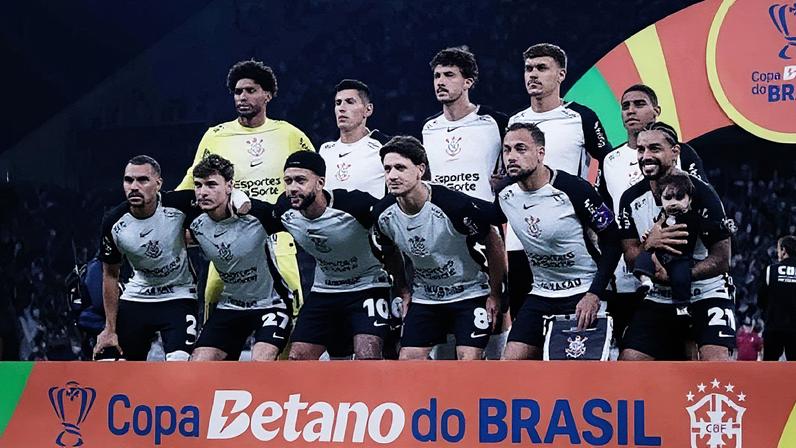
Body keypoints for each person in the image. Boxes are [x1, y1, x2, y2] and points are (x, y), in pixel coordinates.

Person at [176, 59, 314, 319]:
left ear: (268, 95)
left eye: (250, 90)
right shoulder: (215, 135)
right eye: (238, 92)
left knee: (292, 312)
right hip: (226, 238)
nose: (242, 97)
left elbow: (315, 178)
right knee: (213, 309)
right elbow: (190, 182)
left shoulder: (290, 134)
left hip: (277, 239)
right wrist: (165, 215)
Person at [262, 151, 407, 360]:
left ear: (320, 183)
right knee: (297, 358)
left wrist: (402, 290)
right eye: (288, 181)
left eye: (301, 180)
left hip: (367, 286)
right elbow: (256, 215)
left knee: (367, 353)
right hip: (325, 290)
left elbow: (392, 244)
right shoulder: (285, 210)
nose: (293, 188)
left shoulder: (355, 205)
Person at [373, 136, 506, 360]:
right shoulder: (382, 213)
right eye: (387, 169)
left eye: (400, 168)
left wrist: (495, 294)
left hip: (469, 293)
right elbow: (390, 252)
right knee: (407, 361)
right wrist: (404, 291)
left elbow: (493, 241)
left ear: (420, 169)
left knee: (468, 360)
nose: (392, 176)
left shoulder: (453, 206)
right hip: (426, 298)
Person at [495, 123, 621, 360]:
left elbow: (613, 239)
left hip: (583, 291)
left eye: (520, 149)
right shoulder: (505, 194)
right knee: (507, 366)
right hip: (541, 294)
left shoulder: (574, 190)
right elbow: (480, 217)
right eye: (507, 150)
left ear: (541, 153)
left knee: (573, 373)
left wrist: (595, 294)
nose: (511, 157)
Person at [506, 43, 611, 319]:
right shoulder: (515, 122)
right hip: (521, 238)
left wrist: (595, 201)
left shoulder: (581, 117)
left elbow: (610, 162)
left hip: (568, 236)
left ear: (561, 75)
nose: (533, 75)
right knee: (522, 317)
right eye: (528, 69)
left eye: (542, 68)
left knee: (570, 324)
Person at [598, 84, 708, 344]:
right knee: (630, 349)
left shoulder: (681, 152)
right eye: (625, 106)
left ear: (656, 111)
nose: (631, 111)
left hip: (675, 269)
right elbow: (603, 213)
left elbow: (700, 201)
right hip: (627, 275)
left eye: (639, 104)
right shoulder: (610, 160)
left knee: (682, 348)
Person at [617, 122, 735, 361]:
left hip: (707, 293)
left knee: (719, 366)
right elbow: (630, 254)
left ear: (675, 152)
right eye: (641, 150)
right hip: (658, 296)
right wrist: (649, 244)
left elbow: (722, 259)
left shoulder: (702, 193)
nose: (646, 156)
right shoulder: (629, 198)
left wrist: (681, 276)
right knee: (628, 365)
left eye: (654, 149)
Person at [421, 46, 510, 359]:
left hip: (486, 229)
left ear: (468, 81)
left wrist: (505, 183)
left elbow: (516, 166)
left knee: (497, 310)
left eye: (449, 75)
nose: (440, 82)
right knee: (445, 311)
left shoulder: (496, 123)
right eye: (436, 76)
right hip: (441, 233)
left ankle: (498, 379)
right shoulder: (428, 128)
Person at [94, 155, 200, 361]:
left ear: (158, 183)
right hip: (138, 296)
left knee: (179, 362)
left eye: (142, 180)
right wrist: (109, 329)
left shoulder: (180, 203)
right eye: (128, 180)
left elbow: (217, 197)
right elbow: (110, 275)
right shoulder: (113, 222)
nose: (134, 186)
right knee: (110, 361)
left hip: (178, 295)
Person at [189, 155, 292, 361]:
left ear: (229, 186)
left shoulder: (256, 214)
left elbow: (295, 216)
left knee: (260, 362)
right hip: (230, 306)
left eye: (211, 185)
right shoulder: (194, 222)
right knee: (199, 363)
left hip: (270, 303)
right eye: (198, 185)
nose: (203, 192)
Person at [633, 171, 707, 304]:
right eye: (668, 198)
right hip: (660, 255)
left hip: (680, 257)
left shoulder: (694, 218)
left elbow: (707, 228)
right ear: (661, 199)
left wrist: (723, 227)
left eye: (679, 198)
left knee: (681, 276)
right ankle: (646, 281)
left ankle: (682, 305)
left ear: (689, 199)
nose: (673, 203)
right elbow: (654, 232)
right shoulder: (661, 217)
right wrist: (648, 238)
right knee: (643, 257)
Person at [319, 79, 389, 199]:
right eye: (338, 103)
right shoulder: (325, 150)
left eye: (350, 102)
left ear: (368, 110)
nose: (341, 108)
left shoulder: (384, 148)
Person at [760, 235, 796, 361]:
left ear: (784, 250)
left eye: (778, 249)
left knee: (769, 369)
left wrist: (768, 315)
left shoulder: (770, 270)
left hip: (774, 327)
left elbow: (761, 300)